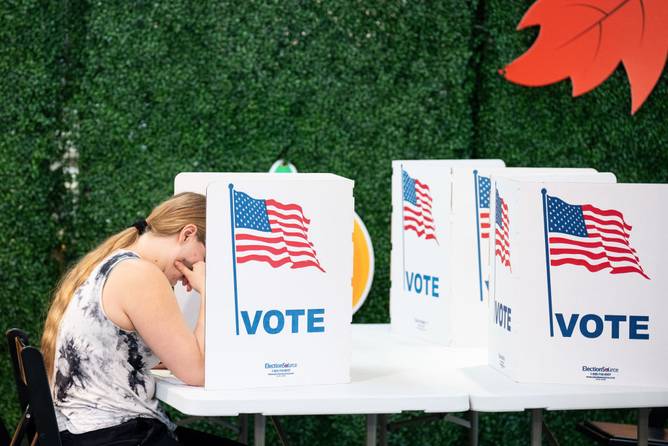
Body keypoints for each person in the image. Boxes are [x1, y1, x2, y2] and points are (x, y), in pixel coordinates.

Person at [40, 192, 243, 446]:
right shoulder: (140, 275)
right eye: (205, 256)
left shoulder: (117, 263)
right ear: (188, 234)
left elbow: (119, 355)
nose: (199, 267)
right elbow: (197, 372)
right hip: (116, 435)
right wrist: (209, 293)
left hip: (88, 433)